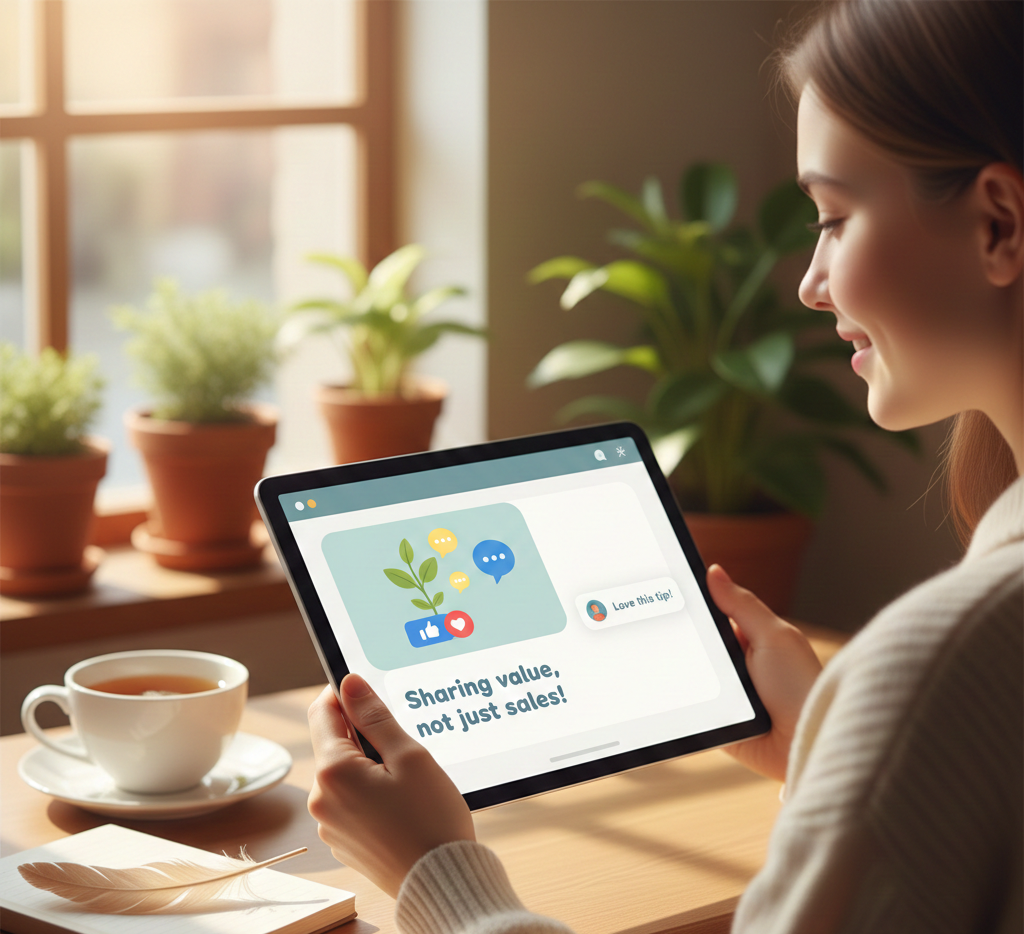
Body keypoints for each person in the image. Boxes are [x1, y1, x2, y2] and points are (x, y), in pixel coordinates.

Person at [306, 1, 1023, 930]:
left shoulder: (948, 658)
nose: (810, 281)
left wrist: (434, 871)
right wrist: (834, 753)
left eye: (835, 217)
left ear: (1001, 224)